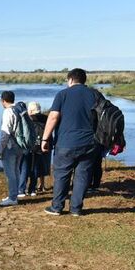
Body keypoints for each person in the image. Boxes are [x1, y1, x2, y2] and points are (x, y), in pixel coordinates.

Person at [42, 68, 97, 216]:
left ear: (70, 80)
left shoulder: (62, 94)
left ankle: (57, 207)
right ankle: (76, 209)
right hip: (89, 143)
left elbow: (53, 117)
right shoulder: (94, 94)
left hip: (66, 143)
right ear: (84, 80)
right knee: (82, 176)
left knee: (61, 175)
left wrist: (45, 138)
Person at [18, 102, 50, 196]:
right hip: (41, 146)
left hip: (30, 145)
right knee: (35, 168)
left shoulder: (29, 118)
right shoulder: (46, 118)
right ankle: (32, 189)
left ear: (31, 110)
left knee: (24, 167)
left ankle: (21, 190)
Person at [0, 91, 23, 206]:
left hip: (10, 146)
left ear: (3, 100)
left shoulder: (8, 112)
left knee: (10, 173)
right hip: (20, 146)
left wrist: (0, 150)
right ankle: (14, 194)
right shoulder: (19, 109)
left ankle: (12, 198)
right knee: (16, 171)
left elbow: (5, 134)